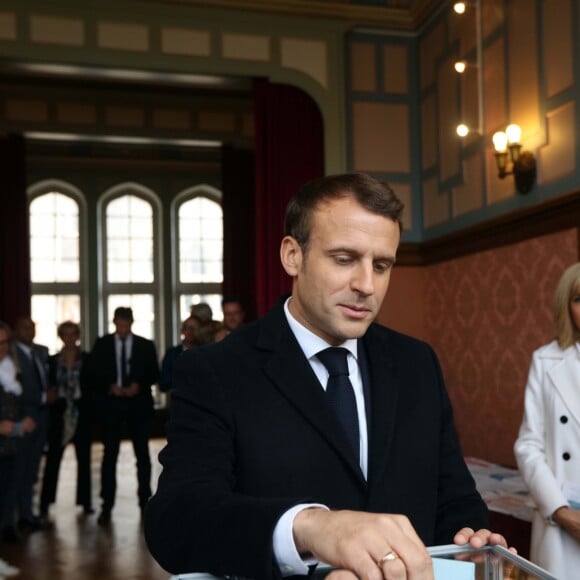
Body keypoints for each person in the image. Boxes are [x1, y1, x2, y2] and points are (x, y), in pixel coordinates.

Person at [145, 173, 510, 579]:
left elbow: (454, 495)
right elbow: (176, 521)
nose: (367, 285)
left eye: (382, 265)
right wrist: (310, 526)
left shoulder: (416, 363)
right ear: (292, 256)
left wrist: (468, 541)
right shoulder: (216, 370)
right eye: (344, 259)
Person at [514, 262, 580, 578]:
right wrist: (561, 511)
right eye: (579, 299)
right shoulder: (545, 360)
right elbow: (529, 444)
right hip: (560, 522)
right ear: (566, 307)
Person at [87, 307, 159, 525]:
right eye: (120, 324)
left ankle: (145, 503)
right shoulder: (102, 344)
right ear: (114, 322)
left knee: (143, 457)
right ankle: (107, 505)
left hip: (138, 407)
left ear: (132, 323)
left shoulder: (145, 345)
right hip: (111, 407)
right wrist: (111, 387)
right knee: (110, 456)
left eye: (126, 324)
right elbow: (93, 373)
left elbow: (154, 373)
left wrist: (138, 385)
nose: (123, 328)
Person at [39, 321, 94, 519]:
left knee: (84, 459)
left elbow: (93, 387)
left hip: (82, 415)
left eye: (73, 334)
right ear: (60, 337)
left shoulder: (87, 359)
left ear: (78, 336)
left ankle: (86, 502)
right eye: (65, 334)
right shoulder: (52, 361)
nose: (69, 338)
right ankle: (45, 501)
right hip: (59, 415)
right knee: (53, 459)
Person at [10, 317, 54, 533]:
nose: (30, 331)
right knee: (19, 470)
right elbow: (14, 392)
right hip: (23, 419)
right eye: (25, 327)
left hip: (42, 418)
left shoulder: (39, 352)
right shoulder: (11, 355)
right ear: (16, 330)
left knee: (32, 470)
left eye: (33, 327)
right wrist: (43, 398)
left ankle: (28, 513)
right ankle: (15, 517)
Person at [0, 321, 36, 556]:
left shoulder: (9, 366)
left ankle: (7, 526)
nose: (1, 347)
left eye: (4, 342)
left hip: (10, 444)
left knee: (9, 488)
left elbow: (17, 401)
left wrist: (25, 420)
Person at [159, 317, 200, 392]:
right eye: (187, 328)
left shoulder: (204, 352)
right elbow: (163, 383)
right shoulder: (172, 353)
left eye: (193, 328)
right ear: (182, 331)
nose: (190, 332)